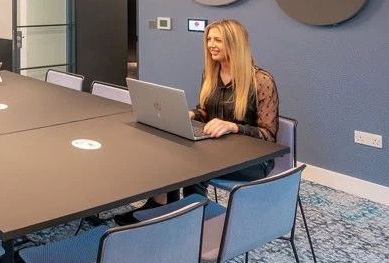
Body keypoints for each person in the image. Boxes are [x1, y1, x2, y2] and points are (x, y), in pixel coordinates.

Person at [115, 18, 279, 224]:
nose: (211, 45)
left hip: (253, 160)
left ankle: (190, 224)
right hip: (218, 148)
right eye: (209, 39)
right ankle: (162, 205)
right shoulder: (211, 73)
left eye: (218, 40)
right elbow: (205, 112)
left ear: (235, 43)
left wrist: (233, 127)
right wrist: (191, 114)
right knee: (168, 152)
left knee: (194, 169)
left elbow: (268, 136)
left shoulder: (261, 80)